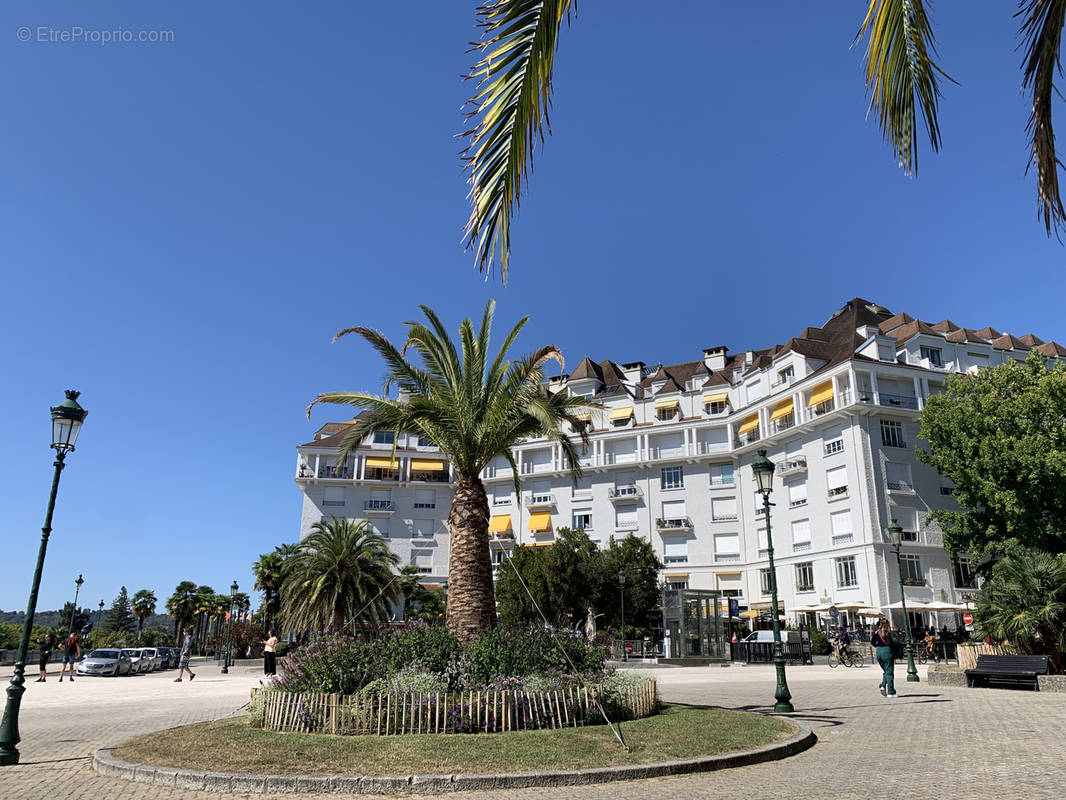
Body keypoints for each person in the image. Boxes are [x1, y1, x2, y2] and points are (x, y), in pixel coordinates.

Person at [872, 620, 897, 697]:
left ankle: (883, 685)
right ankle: (891, 692)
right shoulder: (887, 633)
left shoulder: (877, 633)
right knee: (889, 672)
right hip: (887, 652)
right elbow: (890, 643)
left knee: (886, 670)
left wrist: (878, 646)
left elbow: (872, 642)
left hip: (879, 651)